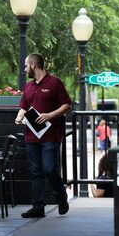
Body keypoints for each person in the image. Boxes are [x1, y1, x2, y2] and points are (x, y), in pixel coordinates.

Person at [15, 53, 71, 218]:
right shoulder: (29, 86)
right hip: (31, 135)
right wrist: (19, 116)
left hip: (51, 135)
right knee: (35, 171)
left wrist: (49, 115)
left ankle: (61, 195)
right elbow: (24, 107)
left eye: (26, 66)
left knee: (49, 168)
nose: (24, 69)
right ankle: (38, 206)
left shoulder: (55, 83)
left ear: (33, 65)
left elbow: (66, 105)